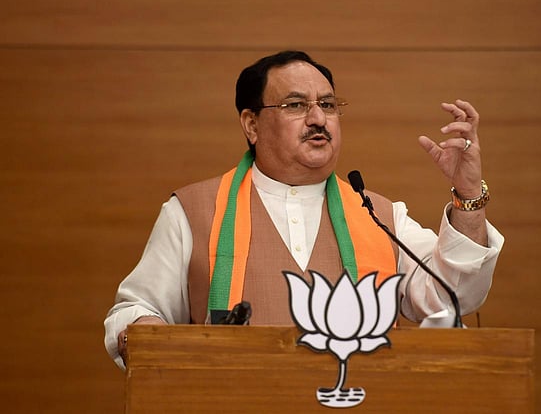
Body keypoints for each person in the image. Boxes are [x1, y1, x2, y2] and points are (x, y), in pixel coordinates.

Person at [104, 50, 504, 370]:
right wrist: (144, 331)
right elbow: (137, 309)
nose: (318, 119)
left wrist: (468, 192)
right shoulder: (192, 212)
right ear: (251, 125)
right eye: (295, 105)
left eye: (327, 105)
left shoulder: (378, 216)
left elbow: (454, 296)